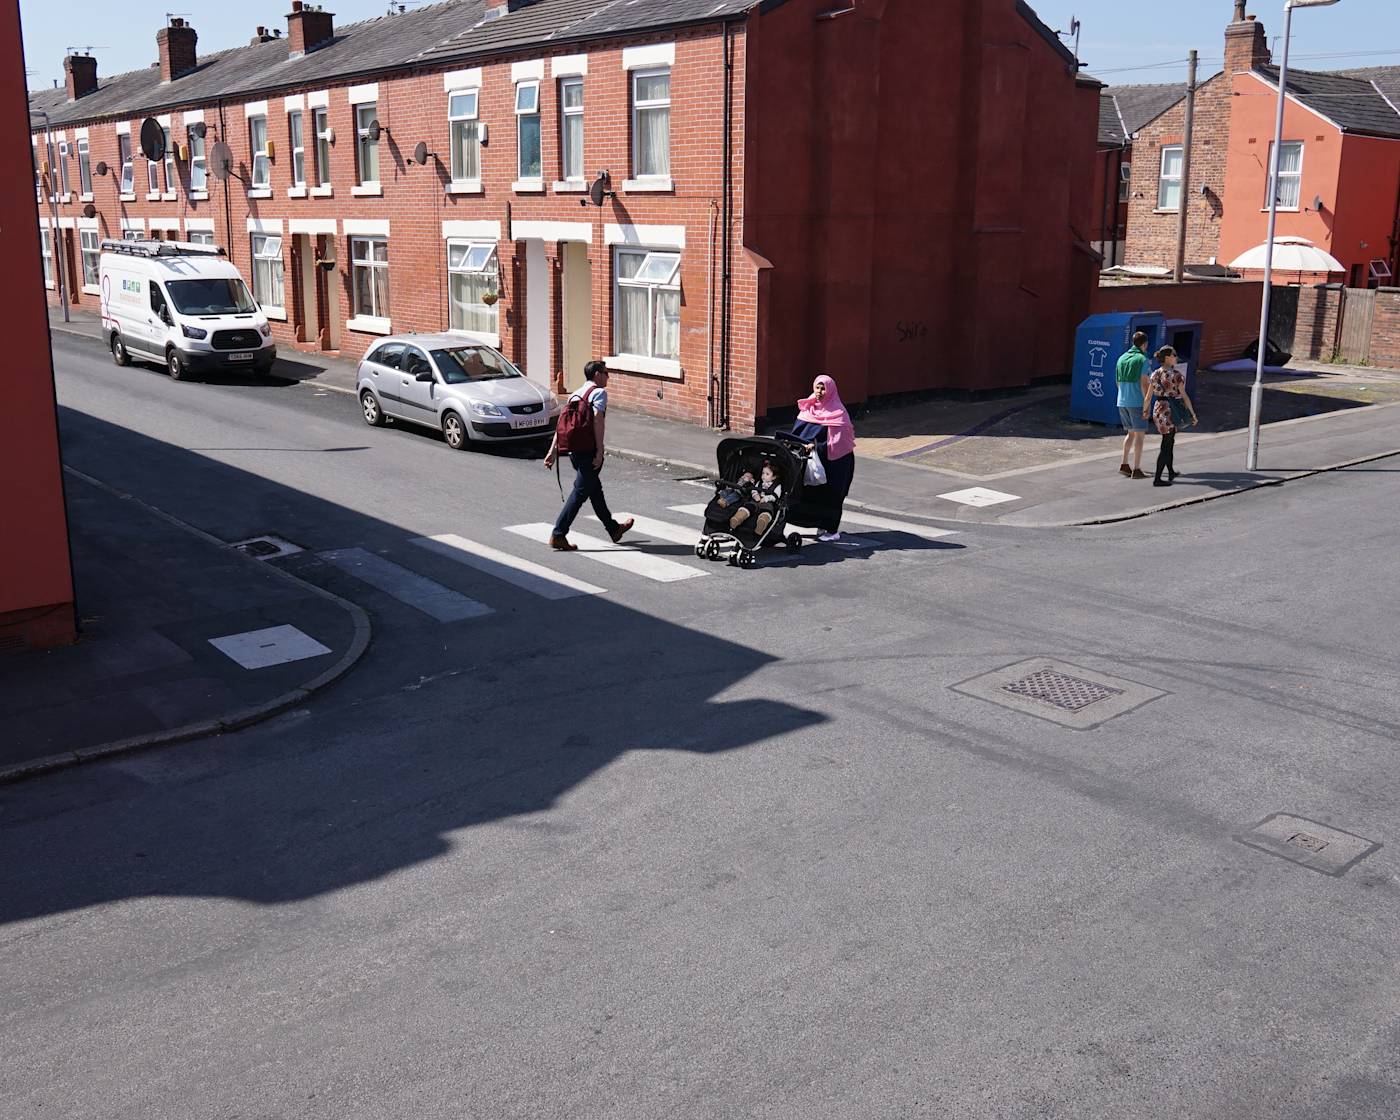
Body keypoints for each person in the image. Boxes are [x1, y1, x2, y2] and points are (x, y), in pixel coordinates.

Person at [542, 360, 634, 550]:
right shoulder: (599, 393)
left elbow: (562, 425)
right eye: (606, 373)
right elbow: (598, 421)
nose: (608, 376)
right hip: (589, 450)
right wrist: (600, 451)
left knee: (594, 490)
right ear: (597, 375)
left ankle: (613, 528)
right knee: (580, 492)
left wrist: (553, 452)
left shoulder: (574, 394)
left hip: (575, 451)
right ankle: (558, 534)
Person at [787, 374, 856, 542]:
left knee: (831, 495)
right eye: (817, 387)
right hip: (812, 461)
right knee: (811, 493)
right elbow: (798, 433)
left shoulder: (838, 413)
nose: (819, 391)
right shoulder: (808, 408)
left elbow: (839, 444)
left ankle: (832, 531)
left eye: (823, 388)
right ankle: (818, 525)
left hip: (836, 463)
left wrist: (817, 447)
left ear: (831, 390)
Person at [1145, 345, 1198, 487]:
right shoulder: (1177, 376)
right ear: (1167, 358)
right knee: (1166, 445)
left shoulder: (1155, 374)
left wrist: (1145, 411)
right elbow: (1184, 396)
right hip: (1170, 411)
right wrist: (1192, 414)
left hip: (1159, 409)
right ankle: (1157, 479)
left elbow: (1148, 397)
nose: (1176, 357)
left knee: (1169, 441)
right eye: (1174, 355)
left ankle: (1171, 471)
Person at [1115, 330, 1151, 479]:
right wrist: (1146, 404)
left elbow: (1117, 382)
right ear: (1145, 344)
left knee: (1130, 433)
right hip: (1136, 402)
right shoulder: (1142, 360)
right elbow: (1144, 383)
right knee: (1140, 436)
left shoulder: (1121, 358)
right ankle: (1136, 469)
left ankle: (1124, 464)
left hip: (1122, 400)